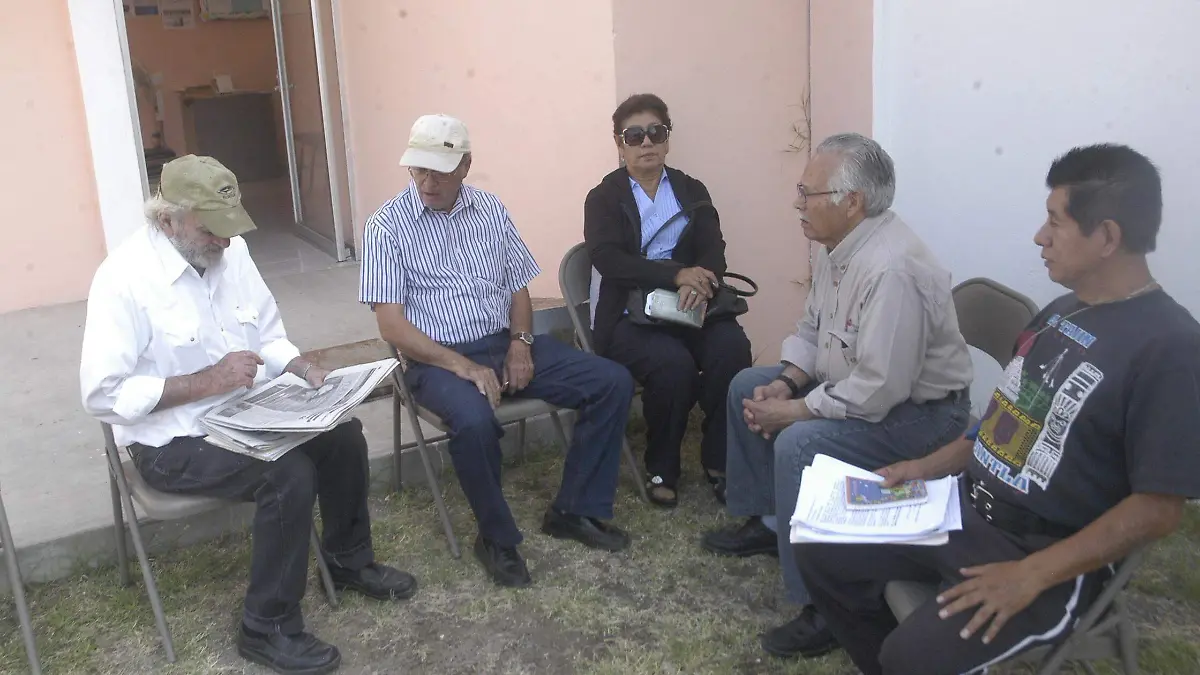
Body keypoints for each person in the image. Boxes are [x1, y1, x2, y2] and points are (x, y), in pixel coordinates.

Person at [792, 143, 1200, 675]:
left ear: (1106, 237)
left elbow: (1159, 508)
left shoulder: (1169, 347)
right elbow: (1001, 423)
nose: (1040, 236)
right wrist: (921, 470)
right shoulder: (1062, 312)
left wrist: (1030, 575)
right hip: (959, 508)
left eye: (1055, 222)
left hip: (1042, 558)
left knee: (912, 657)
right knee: (820, 539)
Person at [80, 155, 415, 675]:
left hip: (246, 411)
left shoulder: (231, 253)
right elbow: (102, 394)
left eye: (231, 227)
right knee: (287, 474)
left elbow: (267, 334)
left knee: (344, 435)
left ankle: (350, 562)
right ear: (167, 220)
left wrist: (302, 367)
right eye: (212, 228)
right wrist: (203, 382)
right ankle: (267, 627)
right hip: (170, 441)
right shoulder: (123, 280)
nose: (225, 241)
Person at [700, 133, 974, 658]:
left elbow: (878, 390)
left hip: (923, 416)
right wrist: (785, 382)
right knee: (745, 386)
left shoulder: (891, 269)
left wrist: (796, 410)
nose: (797, 204)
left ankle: (822, 605)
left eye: (809, 194)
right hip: (865, 393)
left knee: (797, 442)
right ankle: (771, 519)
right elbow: (812, 328)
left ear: (854, 202)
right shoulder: (837, 247)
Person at [359, 114, 637, 589]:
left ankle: (574, 510)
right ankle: (496, 538)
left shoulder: (490, 209)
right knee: (473, 420)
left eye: (440, 170)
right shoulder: (386, 227)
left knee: (612, 381)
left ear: (466, 165)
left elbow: (517, 289)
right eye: (419, 169)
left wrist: (521, 343)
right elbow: (391, 324)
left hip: (500, 341)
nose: (428, 181)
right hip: (434, 358)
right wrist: (460, 365)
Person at [584, 93, 753, 507]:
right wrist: (674, 273)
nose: (646, 143)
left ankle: (720, 459)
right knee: (672, 364)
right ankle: (663, 466)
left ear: (667, 138)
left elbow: (714, 247)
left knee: (731, 348)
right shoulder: (603, 197)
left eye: (655, 133)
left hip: (691, 304)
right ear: (619, 143)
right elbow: (607, 259)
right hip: (628, 313)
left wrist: (702, 279)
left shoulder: (690, 188)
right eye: (634, 135)